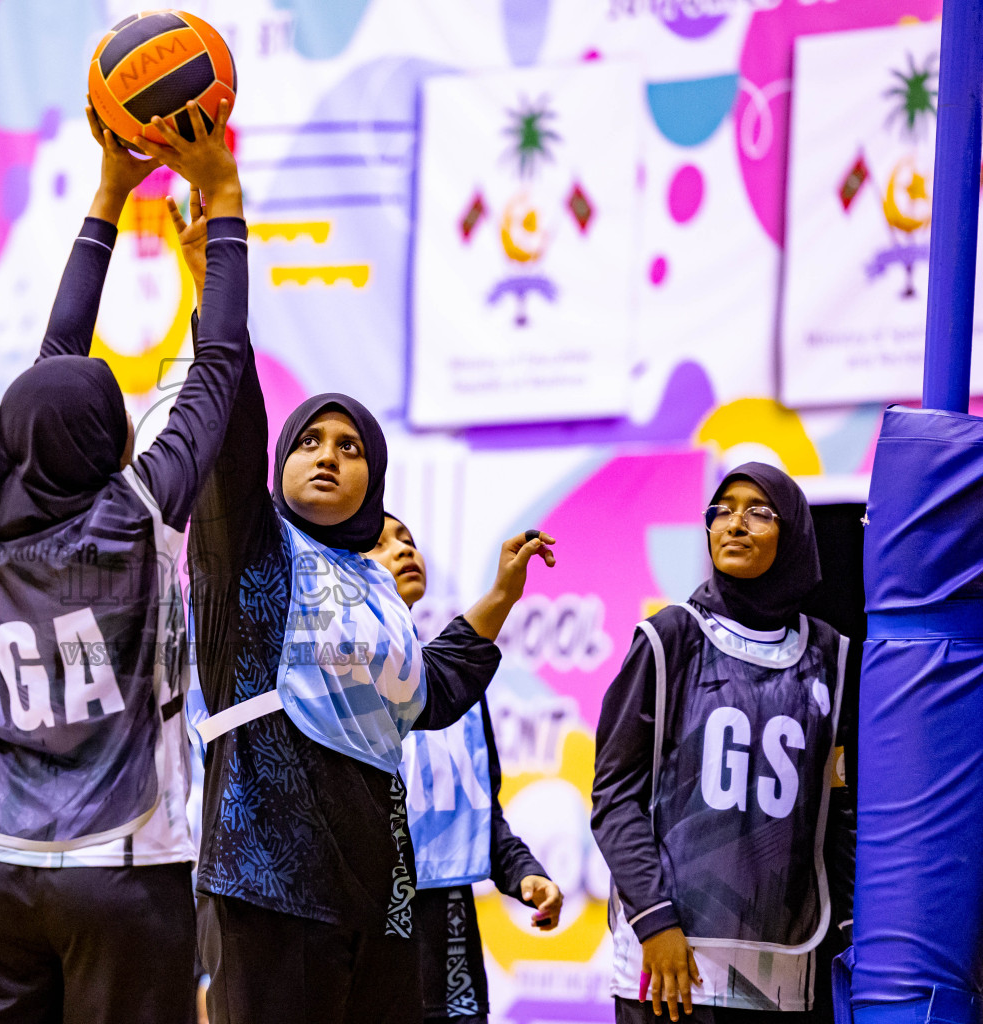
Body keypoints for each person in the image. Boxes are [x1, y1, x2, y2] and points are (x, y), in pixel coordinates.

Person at [167, 226, 557, 1020]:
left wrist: (501, 595)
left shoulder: (378, 590)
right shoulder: (251, 548)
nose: (327, 454)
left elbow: (433, 693)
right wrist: (213, 286)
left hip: (382, 894)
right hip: (265, 875)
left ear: (372, 479)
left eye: (350, 447)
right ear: (279, 465)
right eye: (309, 441)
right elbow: (234, 418)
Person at [0, 99, 245, 1024]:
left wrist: (106, 195)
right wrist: (221, 197)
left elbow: (52, 358)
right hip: (121, 870)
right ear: (111, 438)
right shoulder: (141, 515)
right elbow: (219, 362)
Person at [591, 464, 856, 1024]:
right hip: (671, 962)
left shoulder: (832, 656)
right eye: (722, 511)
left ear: (794, 535)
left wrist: (859, 928)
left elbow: (842, 812)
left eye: (759, 512)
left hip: (787, 969)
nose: (734, 524)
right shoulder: (670, 637)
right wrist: (656, 921)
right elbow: (616, 797)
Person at [367, 515, 565, 1024]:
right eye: (381, 543)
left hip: (448, 936)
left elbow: (477, 813)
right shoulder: (340, 687)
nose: (403, 549)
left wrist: (525, 873)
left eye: (408, 540)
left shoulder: (452, 690)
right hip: (365, 931)